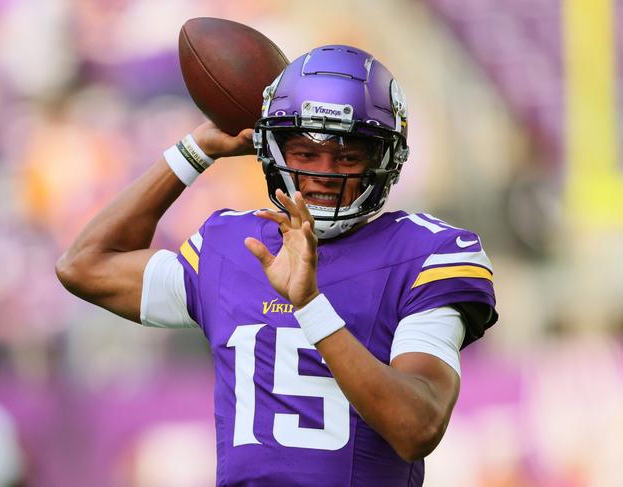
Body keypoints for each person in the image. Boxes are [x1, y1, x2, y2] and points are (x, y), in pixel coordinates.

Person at [56, 45, 498, 486]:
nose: (325, 173)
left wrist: (310, 304)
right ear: (273, 150)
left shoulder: (425, 254)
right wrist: (195, 151)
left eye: (347, 156)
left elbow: (416, 427)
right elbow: (85, 264)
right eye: (305, 153)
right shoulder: (234, 245)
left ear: (384, 161)